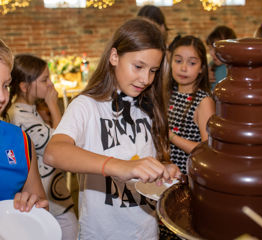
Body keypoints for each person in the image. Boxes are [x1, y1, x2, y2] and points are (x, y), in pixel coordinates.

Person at [43, 18, 181, 240]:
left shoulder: (148, 107)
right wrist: (121, 167)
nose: (145, 79)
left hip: (145, 232)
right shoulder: (87, 106)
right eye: (138, 66)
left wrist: (161, 171)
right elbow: (53, 153)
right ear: (114, 57)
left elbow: (137, 157)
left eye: (153, 70)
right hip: (101, 233)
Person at [7, 54, 78, 240]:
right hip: (48, 197)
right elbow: (63, 146)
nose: (50, 85)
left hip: (53, 193)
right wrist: (53, 105)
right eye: (45, 80)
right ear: (24, 87)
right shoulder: (20, 116)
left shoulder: (29, 110)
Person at [0, 39, 48, 212]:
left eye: (5, 85)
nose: (2, 97)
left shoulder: (20, 140)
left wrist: (34, 206)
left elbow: (42, 206)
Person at [167, 35, 215, 174]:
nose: (183, 68)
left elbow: (208, 150)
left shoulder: (203, 101)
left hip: (188, 176)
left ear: (202, 68)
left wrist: (170, 136)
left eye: (192, 63)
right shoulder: (170, 93)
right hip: (166, 174)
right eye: (178, 61)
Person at [206, 25, 237, 91]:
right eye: (210, 48)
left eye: (216, 48)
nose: (211, 53)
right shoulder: (211, 66)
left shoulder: (237, 68)